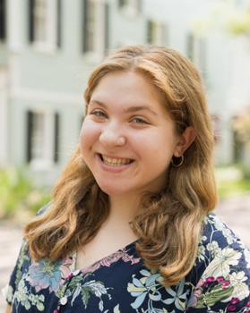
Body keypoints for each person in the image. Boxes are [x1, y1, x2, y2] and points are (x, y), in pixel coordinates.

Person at [4, 45, 250, 313]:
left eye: (137, 120)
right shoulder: (50, 225)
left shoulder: (217, 262)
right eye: (99, 113)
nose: (109, 137)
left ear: (183, 140)